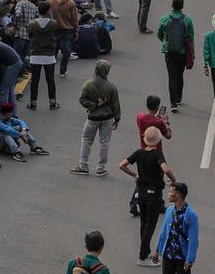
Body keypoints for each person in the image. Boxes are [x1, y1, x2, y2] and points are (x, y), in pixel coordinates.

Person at [120, 127, 177, 267]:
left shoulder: (139, 153)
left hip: (141, 193)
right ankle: (142, 257)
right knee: (150, 226)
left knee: (143, 224)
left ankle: (145, 252)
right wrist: (173, 179)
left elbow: (122, 165)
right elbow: (166, 169)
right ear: (158, 140)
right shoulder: (158, 155)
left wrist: (135, 175)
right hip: (154, 195)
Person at [72, 60, 120, 176]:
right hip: (107, 118)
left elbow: (82, 100)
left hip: (92, 118)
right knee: (104, 142)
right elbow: (116, 105)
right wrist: (117, 119)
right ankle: (101, 168)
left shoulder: (88, 84)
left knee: (86, 140)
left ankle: (83, 166)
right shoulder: (112, 87)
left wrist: (93, 105)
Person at [156, 0, 194, 111]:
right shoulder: (187, 20)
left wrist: (166, 42)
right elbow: (190, 37)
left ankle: (173, 104)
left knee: (172, 77)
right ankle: (178, 97)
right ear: (182, 6)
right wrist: (192, 54)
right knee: (180, 74)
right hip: (182, 52)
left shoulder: (165, 18)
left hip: (169, 52)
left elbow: (159, 34)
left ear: (171, 5)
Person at [153, 181, 199, 272]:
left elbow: (193, 239)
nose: (168, 194)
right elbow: (163, 232)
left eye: (171, 192)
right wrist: (157, 249)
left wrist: (190, 259)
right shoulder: (169, 210)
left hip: (181, 257)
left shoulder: (191, 215)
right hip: (168, 255)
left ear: (178, 196)